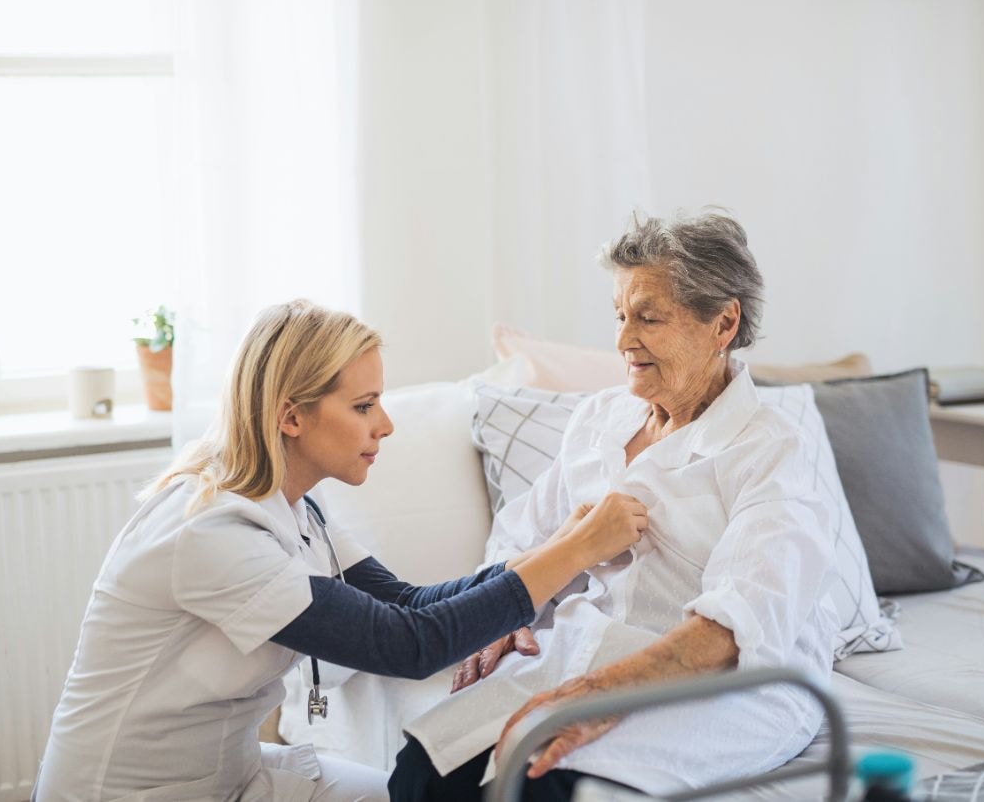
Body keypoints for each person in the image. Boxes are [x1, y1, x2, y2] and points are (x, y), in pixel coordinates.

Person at [33, 299, 648, 802]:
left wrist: (552, 550)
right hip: (129, 793)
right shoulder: (211, 536)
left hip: (232, 776)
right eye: (362, 406)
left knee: (404, 794)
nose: (385, 424)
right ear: (291, 417)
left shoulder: (296, 506)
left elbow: (407, 602)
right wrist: (572, 555)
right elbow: (407, 644)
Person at [388, 210, 842, 801]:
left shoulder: (772, 449)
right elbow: (521, 537)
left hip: (715, 684)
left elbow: (732, 630)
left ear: (723, 322)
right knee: (422, 772)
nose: (625, 340)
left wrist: (595, 696)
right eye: (622, 315)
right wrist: (504, 615)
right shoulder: (600, 418)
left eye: (649, 318)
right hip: (581, 648)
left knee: (543, 786)